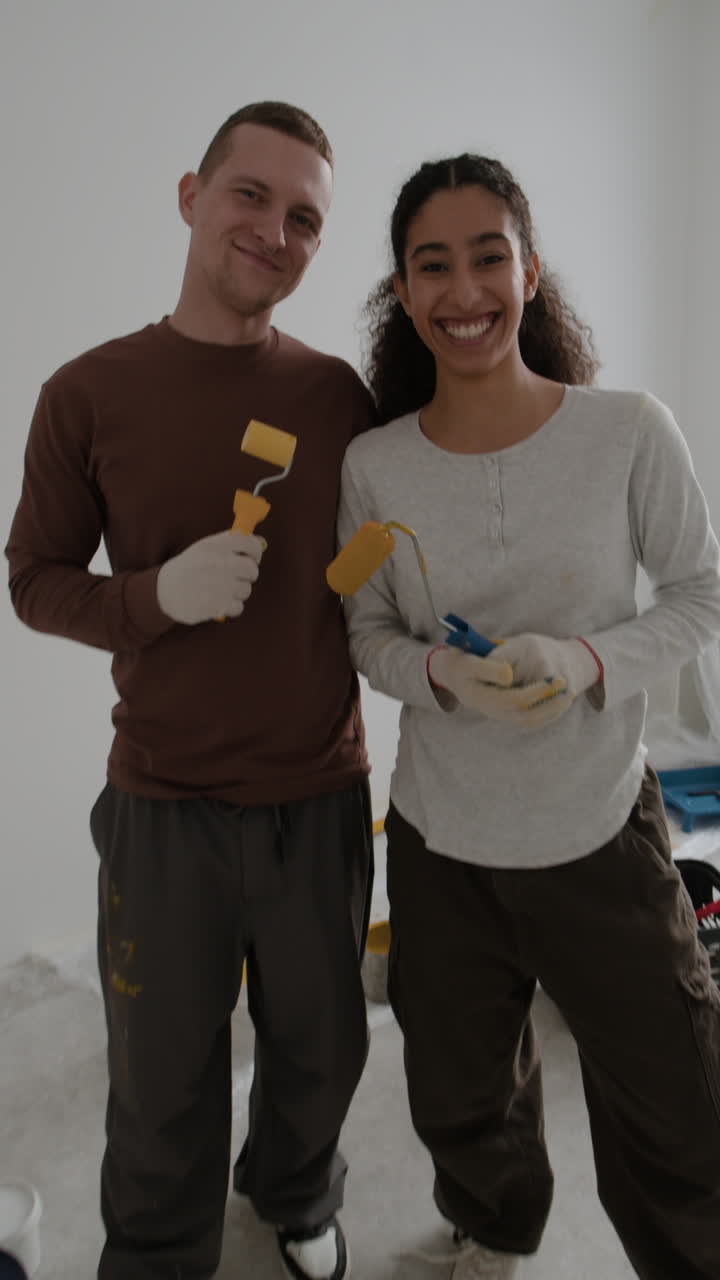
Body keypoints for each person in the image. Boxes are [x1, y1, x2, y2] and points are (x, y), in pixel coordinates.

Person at [6, 102, 376, 1280]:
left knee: (322, 1048)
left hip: (319, 793)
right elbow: (33, 580)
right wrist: (154, 596)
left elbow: (372, 576)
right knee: (161, 1077)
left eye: (305, 216)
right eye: (250, 195)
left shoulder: (339, 400)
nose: (275, 229)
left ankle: (296, 1190)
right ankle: (161, 1252)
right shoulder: (88, 392)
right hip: (164, 803)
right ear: (190, 194)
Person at [335, 153, 720, 1280]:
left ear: (531, 267)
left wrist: (589, 653)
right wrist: (444, 678)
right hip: (442, 840)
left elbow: (703, 593)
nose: (465, 292)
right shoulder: (375, 465)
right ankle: (495, 1228)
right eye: (432, 266)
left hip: (599, 830)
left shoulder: (628, 432)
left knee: (677, 1092)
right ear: (402, 292)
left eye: (489, 256)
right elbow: (364, 634)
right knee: (459, 1088)